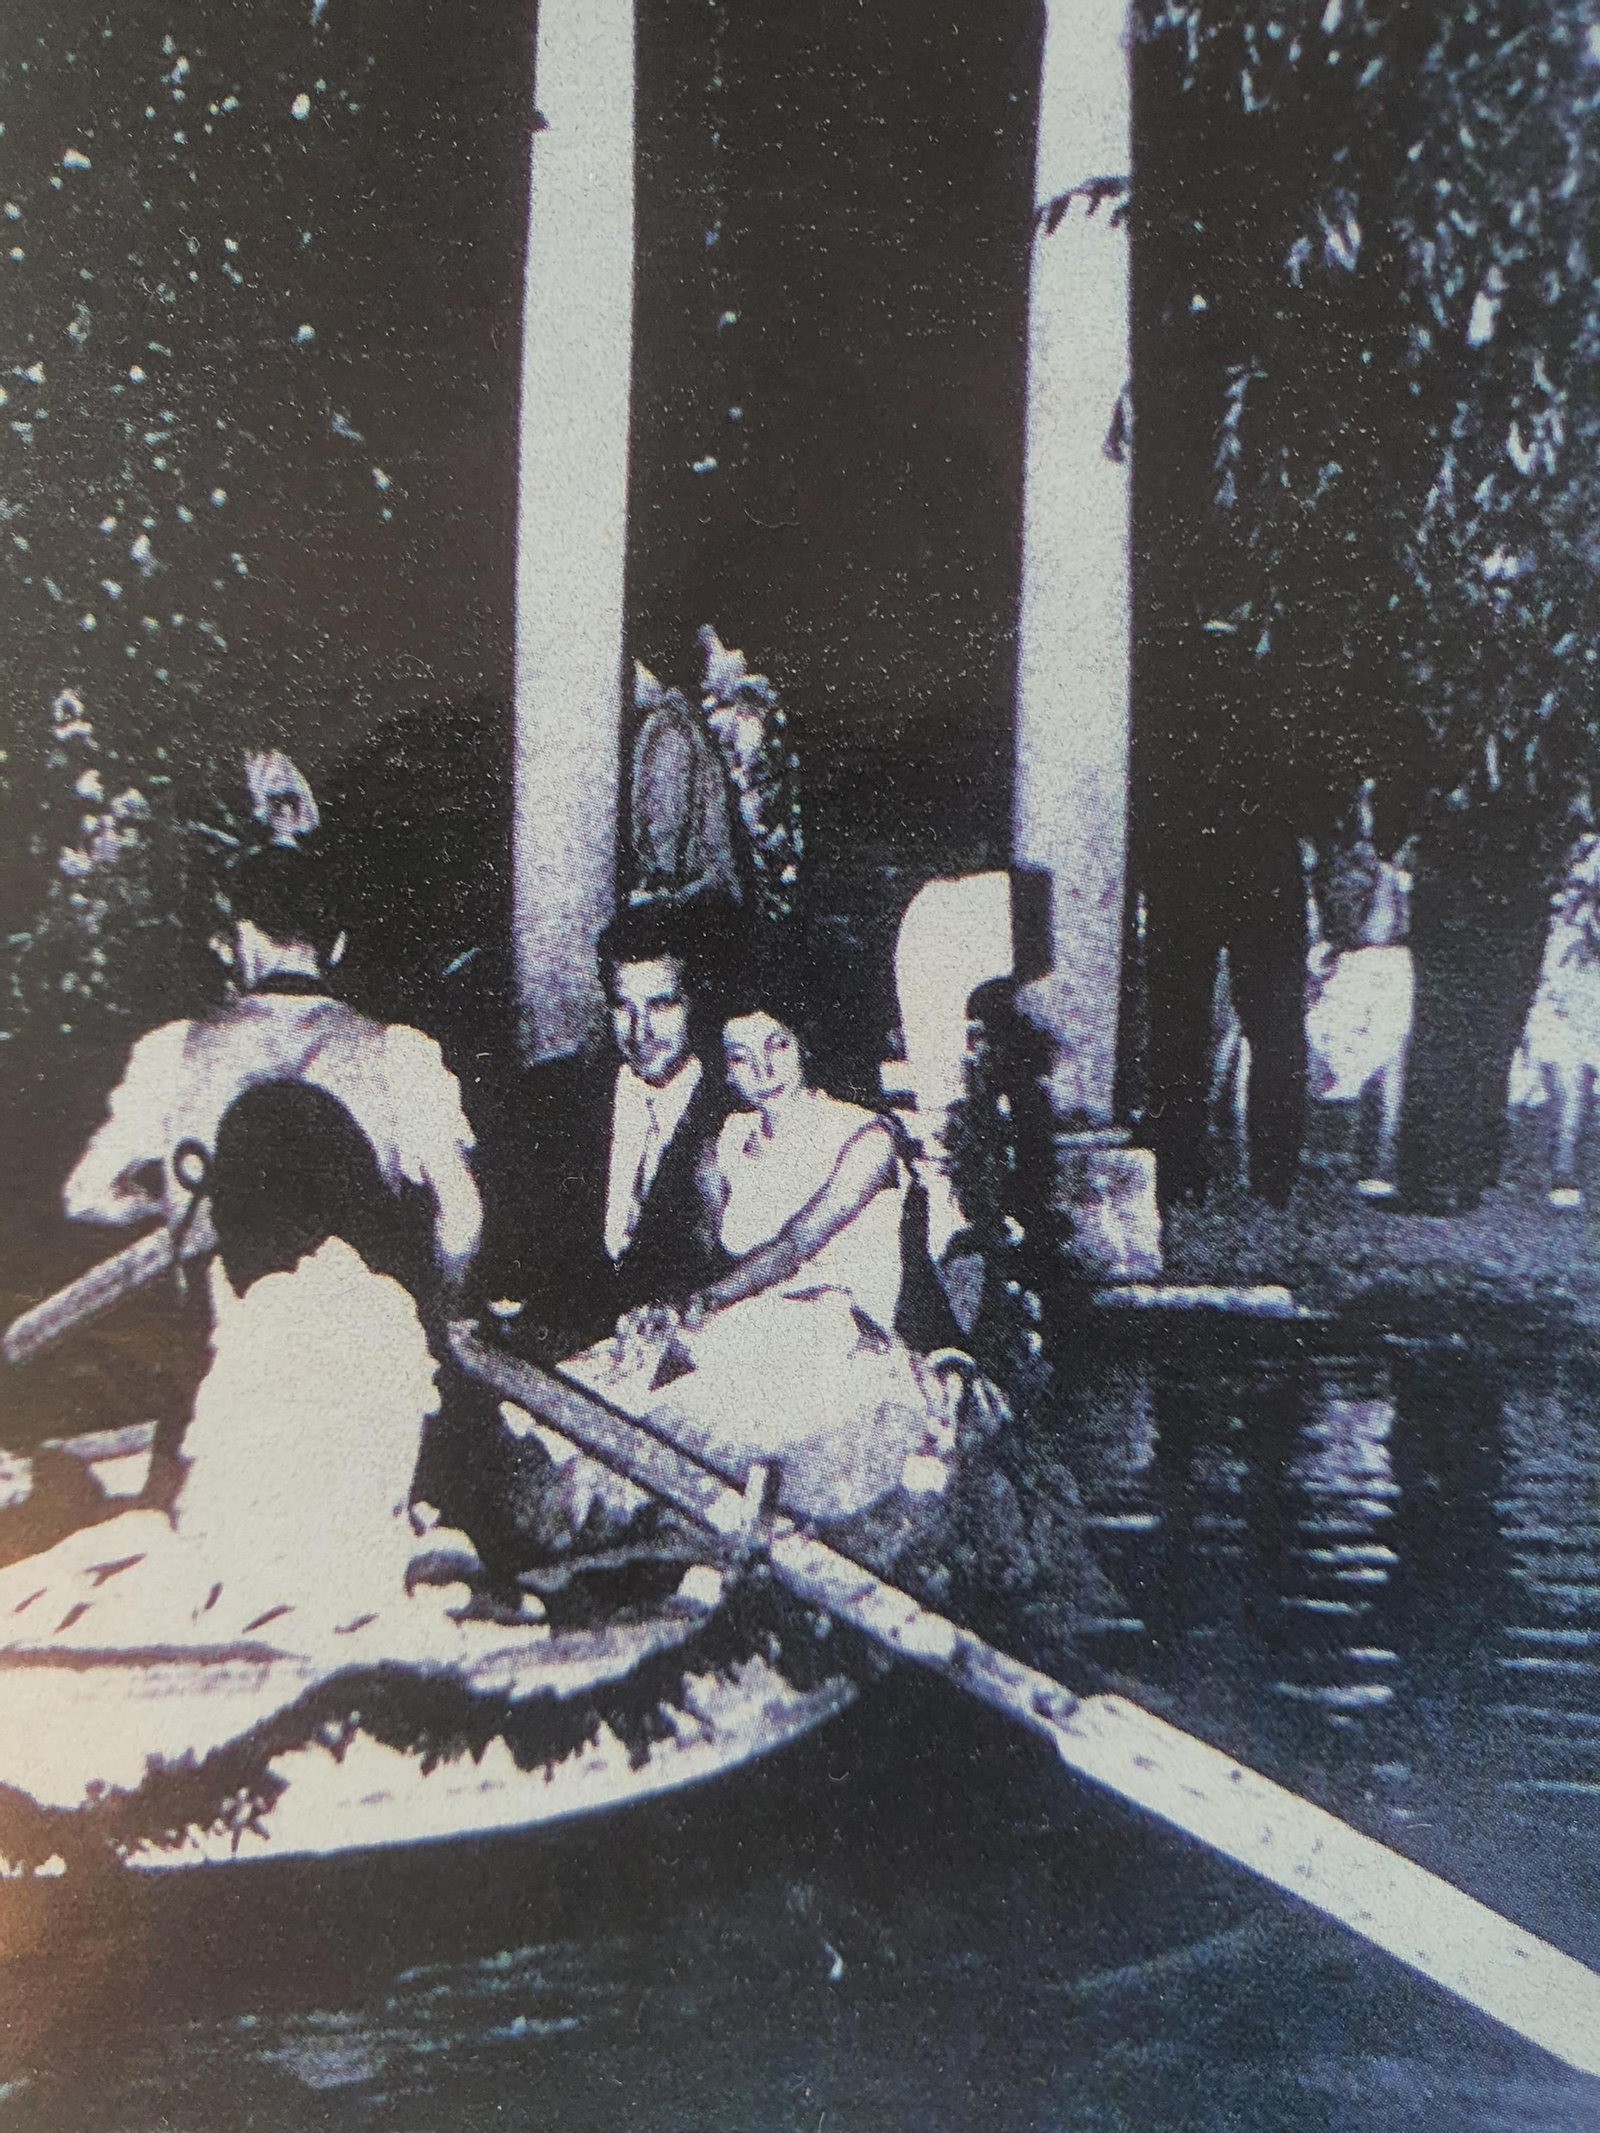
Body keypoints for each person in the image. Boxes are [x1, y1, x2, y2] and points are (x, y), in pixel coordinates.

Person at [0, 1083, 490, 1656]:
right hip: (328, 1557)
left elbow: (176, 1492)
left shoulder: (264, 1315)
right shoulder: (385, 1308)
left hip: (259, 1558)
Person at [563, 974, 962, 1526]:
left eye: (776, 1045)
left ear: (804, 1043)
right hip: (745, 1320)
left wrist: (702, 1302)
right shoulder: (724, 1141)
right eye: (742, 1057)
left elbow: (794, 1245)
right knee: (612, 1388)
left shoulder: (864, 1136)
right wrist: (663, 1312)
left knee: (716, 1429)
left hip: (835, 1330)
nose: (764, 1068)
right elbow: (697, 1254)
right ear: (723, 1068)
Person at [63, 843, 482, 1302]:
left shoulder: (171, 1049)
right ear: (337, 944)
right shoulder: (400, 1051)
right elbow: (462, 1217)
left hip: (226, 1335)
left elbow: (87, 1194)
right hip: (359, 1332)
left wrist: (173, 1213)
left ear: (243, 936)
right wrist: (437, 1304)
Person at [485, 904, 730, 1356]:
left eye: (661, 1005)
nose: (641, 1031)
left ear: (698, 1001)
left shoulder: (731, 1108)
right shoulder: (556, 1096)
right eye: (623, 1006)